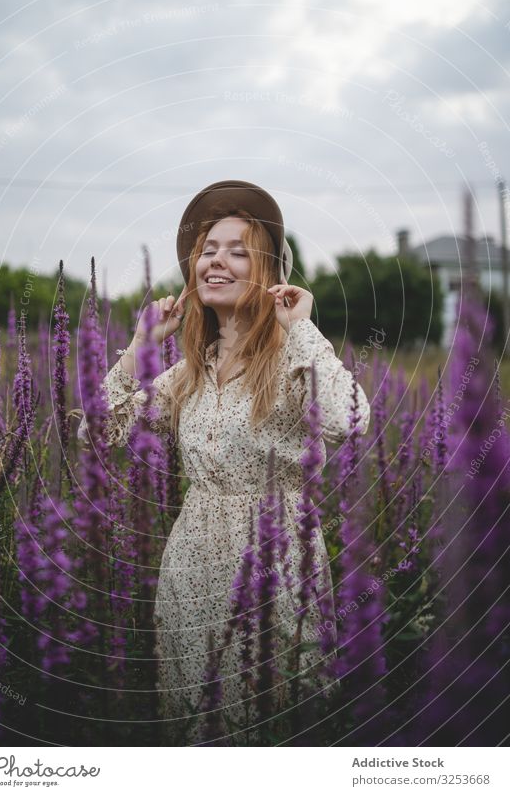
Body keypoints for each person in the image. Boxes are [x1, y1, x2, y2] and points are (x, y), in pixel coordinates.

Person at [78, 180, 371, 745]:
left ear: (268, 272)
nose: (217, 260)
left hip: (274, 559)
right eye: (209, 249)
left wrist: (301, 327)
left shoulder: (291, 361)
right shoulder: (191, 372)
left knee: (272, 725)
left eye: (238, 250)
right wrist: (142, 345)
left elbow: (353, 420)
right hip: (190, 565)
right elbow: (101, 428)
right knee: (196, 730)